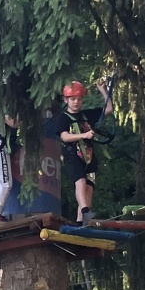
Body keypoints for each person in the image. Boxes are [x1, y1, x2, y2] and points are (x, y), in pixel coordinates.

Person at [49, 80, 108, 222]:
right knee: (80, 181)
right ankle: (85, 211)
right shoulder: (63, 118)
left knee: (89, 188)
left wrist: (103, 91)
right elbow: (64, 136)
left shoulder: (86, 115)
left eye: (79, 99)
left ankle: (81, 220)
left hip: (89, 155)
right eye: (73, 99)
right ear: (66, 100)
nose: (76, 102)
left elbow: (108, 109)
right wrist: (84, 135)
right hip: (73, 155)